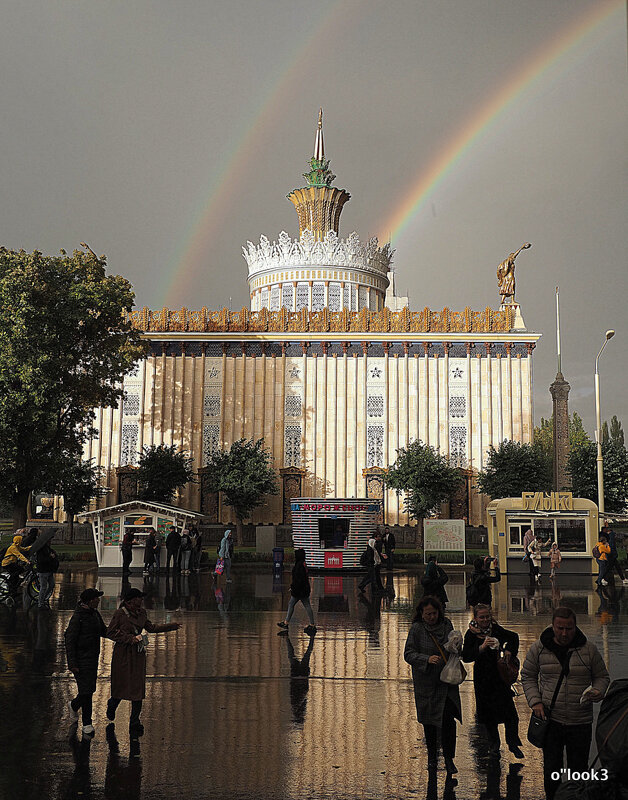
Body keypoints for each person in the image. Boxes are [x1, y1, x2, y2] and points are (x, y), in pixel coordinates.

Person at [521, 606, 610, 800]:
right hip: (551, 719)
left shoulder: (588, 650)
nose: (564, 633)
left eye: (568, 628)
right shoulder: (539, 648)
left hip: (580, 721)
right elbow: (527, 676)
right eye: (560, 628)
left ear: (575, 627)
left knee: (578, 771)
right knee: (552, 769)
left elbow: (602, 677)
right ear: (552, 626)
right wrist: (535, 702)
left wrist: (598, 691)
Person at [105, 588, 181, 737]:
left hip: (138, 654)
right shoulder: (119, 614)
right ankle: (112, 705)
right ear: (129, 601)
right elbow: (110, 633)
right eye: (138, 599)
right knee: (121, 684)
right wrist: (129, 638)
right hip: (123, 654)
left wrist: (171, 626)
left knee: (138, 688)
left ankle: (134, 721)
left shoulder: (142, 613)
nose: (140, 602)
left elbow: (151, 628)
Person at [404, 596, 462, 775]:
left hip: (446, 681)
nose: (431, 617)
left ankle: (449, 759)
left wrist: (456, 644)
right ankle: (432, 758)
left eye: (434, 613)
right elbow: (408, 653)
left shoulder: (446, 625)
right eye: (428, 614)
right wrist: (426, 659)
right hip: (426, 684)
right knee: (429, 723)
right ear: (421, 614)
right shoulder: (417, 629)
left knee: (448, 722)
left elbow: (456, 650)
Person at [462, 604, 523, 758]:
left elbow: (513, 637)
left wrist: (509, 650)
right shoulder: (471, 634)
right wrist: (481, 647)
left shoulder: (496, 629)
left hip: (499, 677)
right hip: (483, 678)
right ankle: (494, 745)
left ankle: (513, 742)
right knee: (489, 717)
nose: (485, 620)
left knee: (511, 714)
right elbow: (467, 656)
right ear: (475, 618)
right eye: (481, 617)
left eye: (487, 617)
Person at [64, 588, 107, 735]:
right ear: (90, 600)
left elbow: (103, 631)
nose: (99, 600)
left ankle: (74, 705)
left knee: (89, 689)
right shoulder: (78, 617)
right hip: (81, 661)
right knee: (86, 691)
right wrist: (72, 663)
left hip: (93, 658)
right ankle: (87, 723)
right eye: (96, 598)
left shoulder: (95, 614)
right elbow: (70, 640)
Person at [277, 548, 316, 635]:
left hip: (299, 591)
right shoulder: (303, 564)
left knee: (294, 604)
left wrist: (293, 587)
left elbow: (298, 579)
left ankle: (287, 623)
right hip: (303, 590)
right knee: (304, 605)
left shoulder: (299, 565)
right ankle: (311, 624)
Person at [35, 539, 59, 609]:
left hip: (49, 570)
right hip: (43, 571)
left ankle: (43, 599)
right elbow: (41, 560)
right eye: (49, 541)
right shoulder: (41, 550)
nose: (50, 542)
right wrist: (50, 557)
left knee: (52, 585)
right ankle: (40, 603)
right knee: (43, 587)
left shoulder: (48, 549)